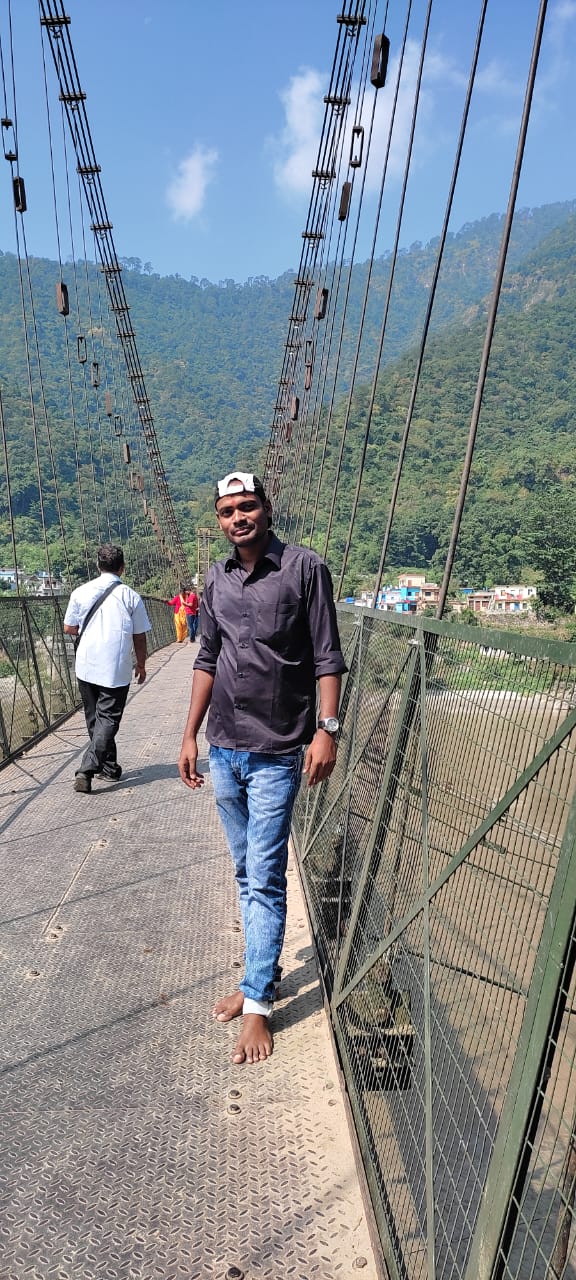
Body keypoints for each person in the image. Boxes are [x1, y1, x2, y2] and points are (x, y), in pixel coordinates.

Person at [178, 471, 346, 1066]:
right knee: (247, 873)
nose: (238, 518)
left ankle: (257, 1005)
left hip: (277, 750)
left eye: (247, 506)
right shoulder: (215, 578)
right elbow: (207, 656)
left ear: (267, 509)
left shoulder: (305, 568)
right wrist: (189, 734)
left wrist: (327, 730)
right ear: (219, 520)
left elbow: (327, 655)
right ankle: (258, 979)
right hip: (224, 745)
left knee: (266, 875)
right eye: (227, 511)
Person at [63, 543, 151, 794]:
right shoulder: (130, 596)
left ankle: (109, 768)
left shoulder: (80, 592)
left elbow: (69, 628)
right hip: (115, 668)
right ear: (122, 568)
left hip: (86, 665)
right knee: (108, 720)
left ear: (97, 565)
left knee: (95, 719)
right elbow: (139, 636)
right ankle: (87, 770)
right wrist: (141, 664)